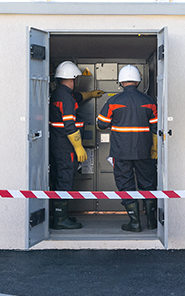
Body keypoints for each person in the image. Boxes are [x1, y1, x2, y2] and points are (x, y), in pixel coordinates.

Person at [96, 65, 158, 232]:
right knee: (148, 183)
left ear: (121, 81)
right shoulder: (149, 101)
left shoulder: (114, 101)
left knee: (125, 184)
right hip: (145, 151)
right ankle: (152, 222)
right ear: (138, 81)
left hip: (121, 152)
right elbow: (155, 128)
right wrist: (155, 149)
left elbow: (101, 124)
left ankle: (135, 223)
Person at [48, 61, 103, 229]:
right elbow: (69, 125)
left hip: (59, 144)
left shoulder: (61, 94)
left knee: (61, 178)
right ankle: (59, 219)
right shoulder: (65, 97)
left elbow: (78, 97)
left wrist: (91, 94)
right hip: (66, 146)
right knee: (65, 179)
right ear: (73, 79)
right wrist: (79, 147)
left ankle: (60, 215)